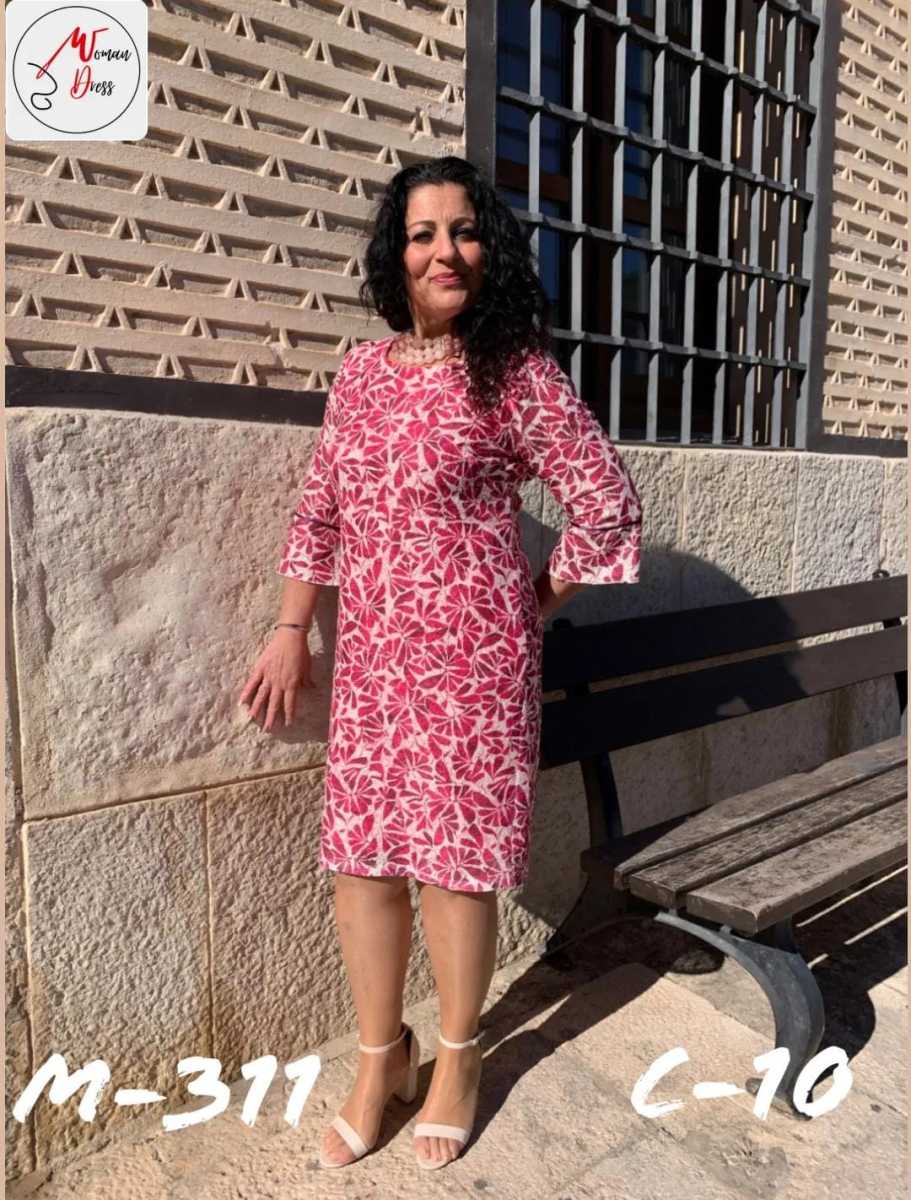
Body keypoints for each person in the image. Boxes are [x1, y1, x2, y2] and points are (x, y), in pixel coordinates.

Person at [238, 155, 642, 1171]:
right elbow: (321, 509)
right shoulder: (362, 374)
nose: (443, 251)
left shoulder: (515, 371)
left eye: (463, 231)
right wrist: (291, 626)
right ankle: (382, 1060)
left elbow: (605, 507)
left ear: (487, 249)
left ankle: (458, 1061)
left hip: (475, 668)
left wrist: (528, 604)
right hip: (374, 663)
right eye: (422, 234)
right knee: (363, 860)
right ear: (397, 255)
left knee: (455, 870)